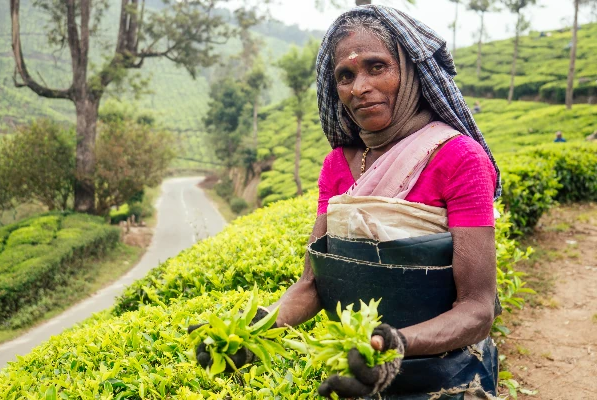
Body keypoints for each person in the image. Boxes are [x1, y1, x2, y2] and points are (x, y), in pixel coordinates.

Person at [193, 5, 501, 399]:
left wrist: (393, 344)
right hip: (356, 373)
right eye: (346, 75)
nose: (358, 88)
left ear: (408, 71)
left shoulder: (459, 158)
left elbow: (477, 308)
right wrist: (250, 332)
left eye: (377, 67)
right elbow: (312, 284)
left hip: (447, 376)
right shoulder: (337, 164)